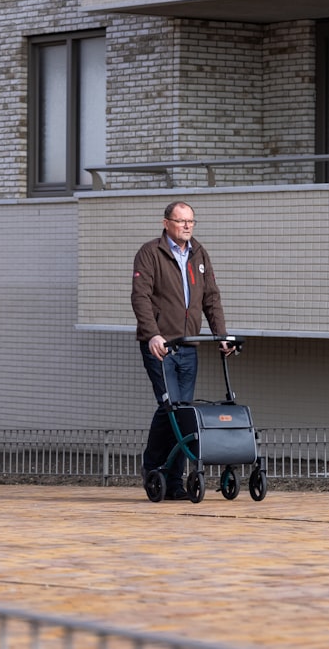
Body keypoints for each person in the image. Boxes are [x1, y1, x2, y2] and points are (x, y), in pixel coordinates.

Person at [131, 201, 231, 499]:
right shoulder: (150, 253)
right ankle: (154, 468)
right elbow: (140, 298)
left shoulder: (199, 254)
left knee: (182, 412)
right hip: (161, 346)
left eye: (191, 221)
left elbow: (211, 298)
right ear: (166, 223)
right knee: (170, 405)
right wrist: (152, 334)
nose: (187, 226)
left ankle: (172, 482)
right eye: (180, 221)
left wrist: (221, 335)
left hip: (188, 346)